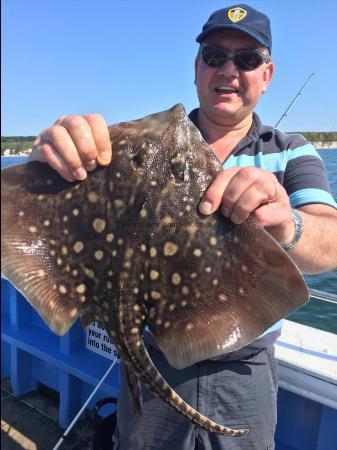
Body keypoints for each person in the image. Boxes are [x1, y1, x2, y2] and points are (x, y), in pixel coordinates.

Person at [29, 4, 337, 449]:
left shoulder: (291, 152)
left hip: (244, 367)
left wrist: (288, 223)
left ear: (266, 74)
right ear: (197, 68)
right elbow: (54, 195)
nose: (229, 69)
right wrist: (49, 162)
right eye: (215, 56)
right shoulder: (135, 149)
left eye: (247, 60)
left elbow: (330, 239)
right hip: (149, 353)